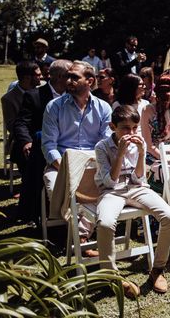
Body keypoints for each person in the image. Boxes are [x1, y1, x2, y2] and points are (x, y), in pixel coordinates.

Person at [94, 105, 170, 297]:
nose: (130, 133)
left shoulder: (138, 143)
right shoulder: (102, 147)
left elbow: (139, 178)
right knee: (105, 224)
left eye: (134, 128)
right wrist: (121, 153)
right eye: (125, 128)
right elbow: (109, 181)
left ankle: (157, 270)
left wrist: (141, 153)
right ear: (112, 126)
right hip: (112, 191)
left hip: (136, 188)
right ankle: (111, 276)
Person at [42, 61, 112, 255]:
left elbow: (106, 144)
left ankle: (79, 237)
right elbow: (48, 146)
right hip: (61, 165)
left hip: (92, 164)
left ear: (90, 81)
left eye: (74, 77)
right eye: (67, 76)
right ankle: (79, 236)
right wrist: (65, 167)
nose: (68, 80)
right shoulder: (54, 107)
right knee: (55, 187)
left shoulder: (104, 108)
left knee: (108, 189)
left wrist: (91, 165)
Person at [13, 60, 71, 225]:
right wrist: (26, 142)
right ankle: (36, 211)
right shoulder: (34, 95)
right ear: (61, 77)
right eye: (70, 75)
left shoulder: (73, 95)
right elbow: (21, 123)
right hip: (41, 145)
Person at [1, 61, 42, 189]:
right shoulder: (9, 99)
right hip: (22, 139)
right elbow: (12, 126)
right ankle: (29, 187)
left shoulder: (43, 91)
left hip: (45, 134)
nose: (41, 77)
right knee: (25, 150)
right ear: (26, 78)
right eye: (38, 75)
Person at [141, 76, 170, 163]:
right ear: (167, 91)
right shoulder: (147, 111)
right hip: (155, 158)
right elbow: (149, 145)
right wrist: (167, 160)